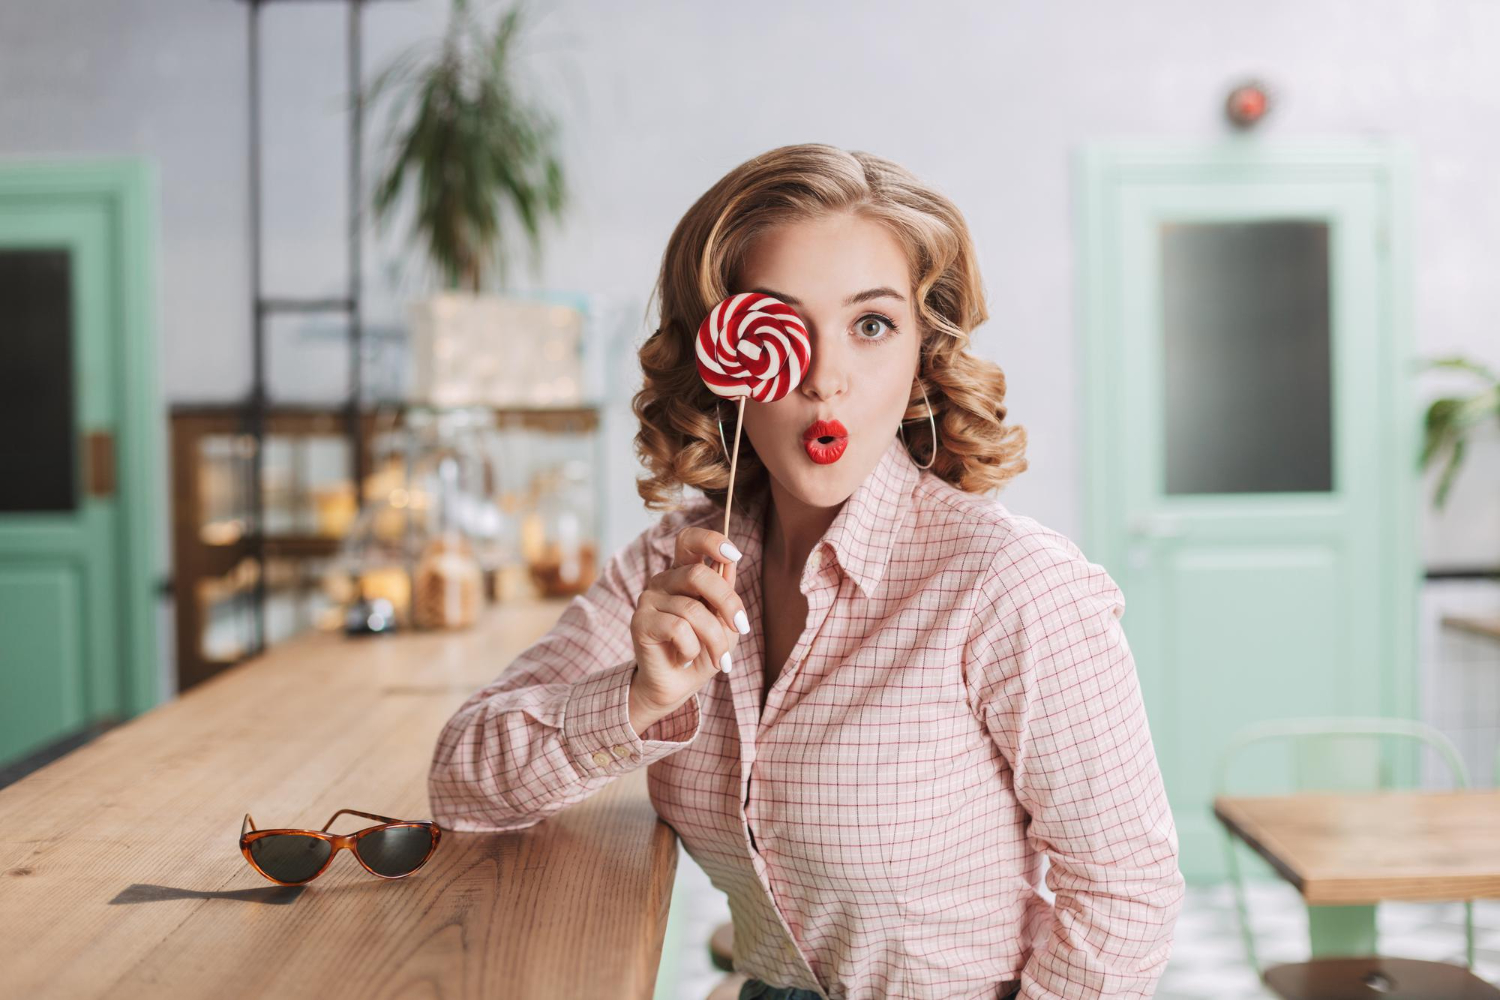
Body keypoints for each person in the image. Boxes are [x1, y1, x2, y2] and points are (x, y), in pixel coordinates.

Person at [427, 143, 1184, 1000]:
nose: (826, 380)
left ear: (921, 350)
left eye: (872, 324)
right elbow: (462, 781)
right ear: (723, 357)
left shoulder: (1008, 586)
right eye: (781, 326)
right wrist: (638, 698)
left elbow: (1125, 893)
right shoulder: (671, 566)